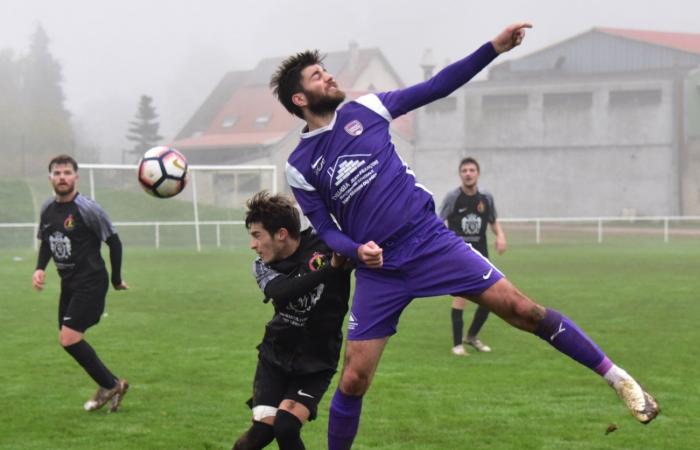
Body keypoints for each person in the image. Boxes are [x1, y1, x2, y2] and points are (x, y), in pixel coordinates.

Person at [270, 23, 659, 449]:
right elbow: (325, 229)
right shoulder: (299, 164)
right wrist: (356, 250)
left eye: (326, 70)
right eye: (317, 76)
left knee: (522, 310)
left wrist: (493, 48)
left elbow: (438, 85)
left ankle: (619, 379)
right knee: (354, 377)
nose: (329, 76)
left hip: (430, 242)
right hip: (380, 271)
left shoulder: (367, 110)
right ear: (300, 99)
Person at [233, 192, 352, 450]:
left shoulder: (328, 244)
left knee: (286, 426)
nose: (253, 245)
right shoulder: (262, 265)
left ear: (282, 234)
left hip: (317, 360)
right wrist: (331, 269)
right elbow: (282, 294)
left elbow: (359, 246)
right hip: (276, 355)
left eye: (257, 235)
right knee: (261, 434)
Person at [32, 154, 129, 412]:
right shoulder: (48, 209)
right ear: (50, 177)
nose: (62, 177)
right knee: (69, 342)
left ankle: (110, 385)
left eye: (66, 172)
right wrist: (39, 269)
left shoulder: (87, 208)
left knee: (69, 339)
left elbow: (114, 241)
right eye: (57, 173)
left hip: (91, 282)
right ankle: (112, 383)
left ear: (76, 177)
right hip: (69, 285)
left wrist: (116, 279)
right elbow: (47, 241)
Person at [437, 157, 506, 356]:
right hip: (459, 256)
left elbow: (493, 221)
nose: (468, 173)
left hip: (481, 256)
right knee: (461, 297)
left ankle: (471, 336)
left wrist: (500, 236)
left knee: (492, 299)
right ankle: (457, 345)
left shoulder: (486, 198)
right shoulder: (453, 197)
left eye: (472, 170)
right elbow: (439, 221)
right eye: (464, 170)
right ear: (460, 174)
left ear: (477, 173)